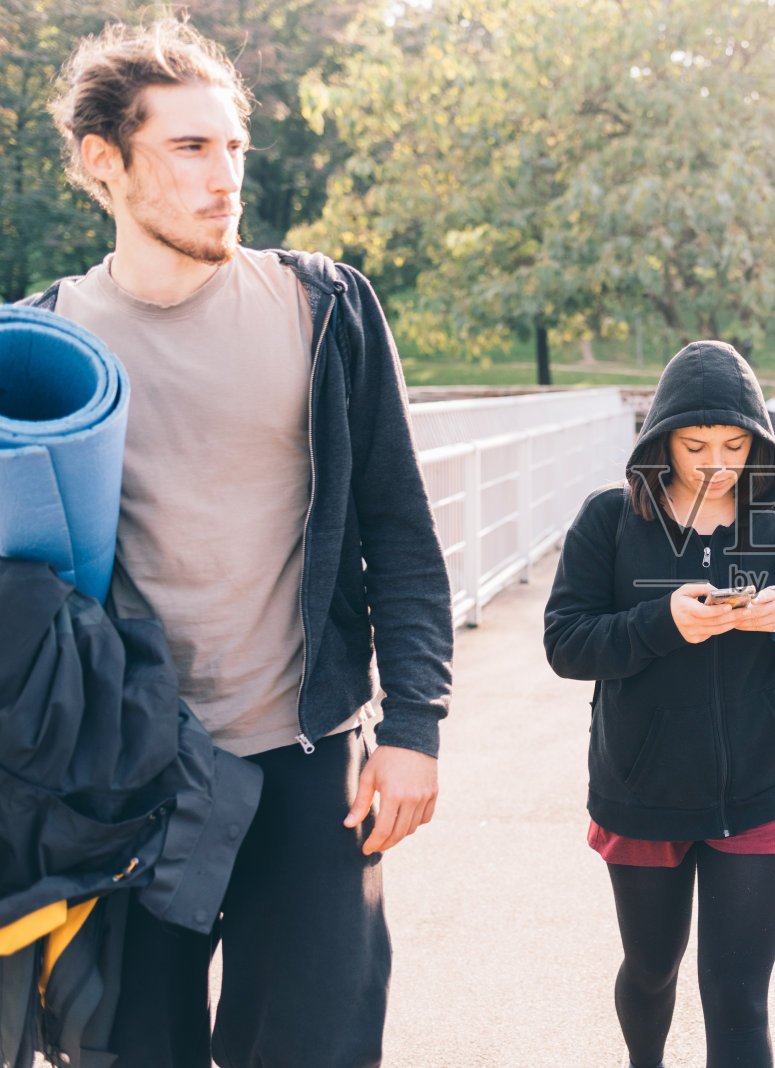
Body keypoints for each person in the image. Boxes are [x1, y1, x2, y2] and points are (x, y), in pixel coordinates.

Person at [22, 19, 453, 1068]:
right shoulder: (44, 344)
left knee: (319, 1048)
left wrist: (415, 727)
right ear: (102, 161)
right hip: (132, 781)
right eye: (189, 148)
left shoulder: (324, 307)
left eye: (234, 148)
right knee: (136, 1050)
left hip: (307, 765)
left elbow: (398, 528)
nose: (226, 178)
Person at [544, 340, 775, 1068]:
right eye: (696, 445)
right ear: (660, 439)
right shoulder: (609, 519)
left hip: (765, 782)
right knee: (651, 971)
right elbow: (566, 643)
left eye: (734, 443)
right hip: (644, 788)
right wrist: (660, 623)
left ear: (759, 440)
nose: (716, 461)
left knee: (738, 996)